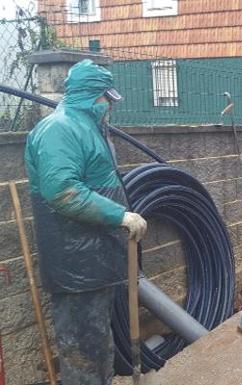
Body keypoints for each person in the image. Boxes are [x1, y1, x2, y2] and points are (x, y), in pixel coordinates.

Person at [24, 59, 147, 385]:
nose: (110, 105)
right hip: (74, 267)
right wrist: (118, 215)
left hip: (93, 261)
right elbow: (63, 192)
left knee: (96, 345)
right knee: (82, 352)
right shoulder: (60, 129)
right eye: (106, 98)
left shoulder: (88, 127)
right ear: (92, 96)